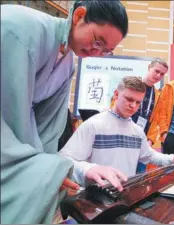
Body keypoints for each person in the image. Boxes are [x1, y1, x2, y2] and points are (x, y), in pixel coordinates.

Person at [1, 1, 128, 223]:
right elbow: (10, 118)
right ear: (79, 15)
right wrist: (40, 170)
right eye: (98, 41)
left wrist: (50, 171)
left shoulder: (68, 64)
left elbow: (48, 129)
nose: (97, 52)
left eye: (106, 51)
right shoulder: (19, 29)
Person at [60, 76, 174, 191]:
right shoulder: (93, 125)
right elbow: (65, 160)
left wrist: (173, 159)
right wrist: (89, 169)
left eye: (138, 102)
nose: (133, 106)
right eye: (129, 99)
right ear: (116, 94)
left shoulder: (137, 131)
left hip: (125, 194)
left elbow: (149, 156)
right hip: (95, 198)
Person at [111, 58, 168, 173]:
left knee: (138, 178)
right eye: (156, 71)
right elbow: (114, 105)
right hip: (122, 138)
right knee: (118, 174)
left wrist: (150, 141)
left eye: (162, 74)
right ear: (149, 67)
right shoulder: (131, 84)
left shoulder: (157, 94)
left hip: (142, 141)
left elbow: (155, 121)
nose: (158, 75)